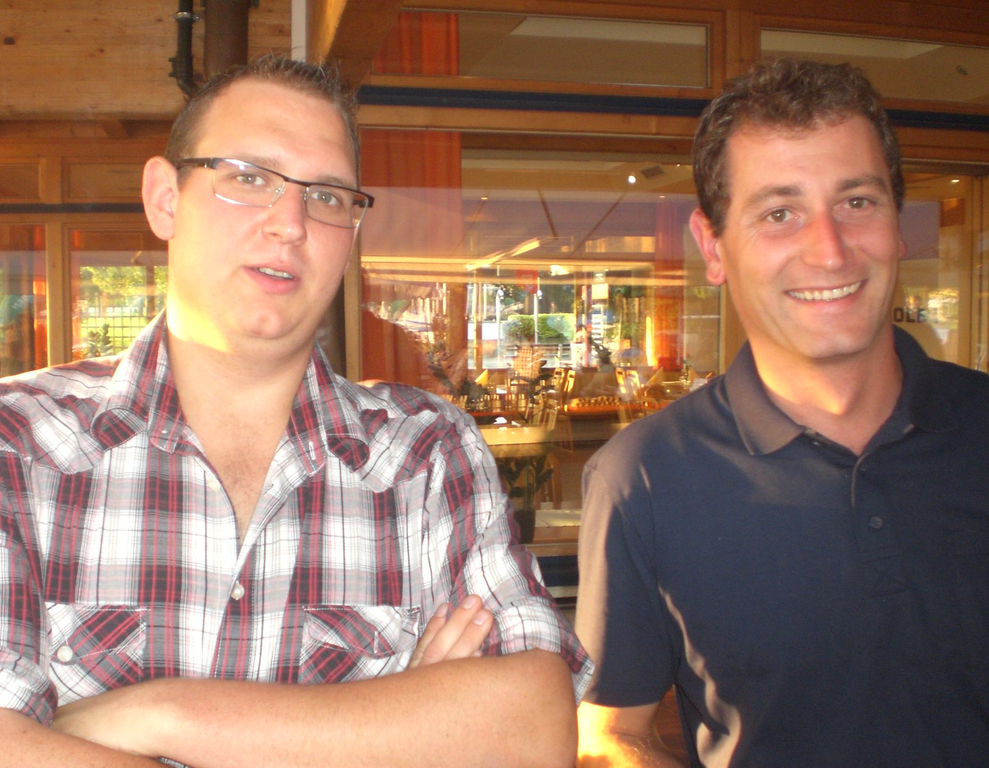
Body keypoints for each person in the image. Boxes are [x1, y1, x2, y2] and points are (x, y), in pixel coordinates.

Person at [0, 55, 590, 767]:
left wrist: (159, 713)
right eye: (249, 177)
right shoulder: (18, 442)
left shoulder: (425, 454)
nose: (290, 223)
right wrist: (394, 729)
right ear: (165, 199)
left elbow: (534, 730)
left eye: (328, 196)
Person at [575, 58, 989, 767]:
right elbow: (609, 734)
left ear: (899, 224)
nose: (830, 250)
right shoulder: (642, 479)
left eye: (857, 201)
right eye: (779, 213)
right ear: (713, 247)